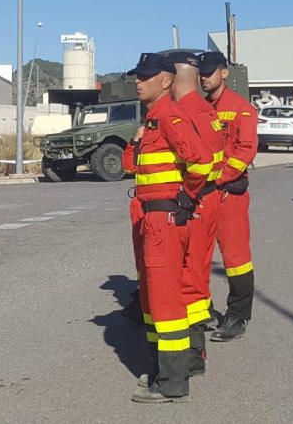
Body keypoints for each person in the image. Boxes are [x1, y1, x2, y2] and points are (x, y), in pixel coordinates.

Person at [121, 52, 211, 403]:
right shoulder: (153, 119)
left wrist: (184, 198)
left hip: (163, 217)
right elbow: (132, 164)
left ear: (166, 81)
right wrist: (137, 137)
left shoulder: (170, 117)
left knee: (164, 298)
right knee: (157, 294)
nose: (137, 81)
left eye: (145, 76)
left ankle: (172, 382)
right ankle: (170, 368)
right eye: (137, 76)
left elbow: (201, 161)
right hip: (151, 215)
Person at [165, 51, 223, 375]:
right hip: (209, 198)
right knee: (197, 272)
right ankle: (195, 347)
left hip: (196, 201)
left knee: (189, 276)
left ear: (172, 78)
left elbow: (198, 162)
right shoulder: (205, 109)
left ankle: (192, 351)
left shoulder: (184, 112)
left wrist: (185, 194)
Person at [198, 51, 258, 343]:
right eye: (201, 72)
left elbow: (246, 150)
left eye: (210, 71)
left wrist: (219, 178)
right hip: (204, 194)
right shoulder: (198, 108)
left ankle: (238, 315)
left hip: (228, 194)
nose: (204, 77)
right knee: (198, 255)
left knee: (236, 258)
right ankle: (203, 310)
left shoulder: (241, 109)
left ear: (224, 73)